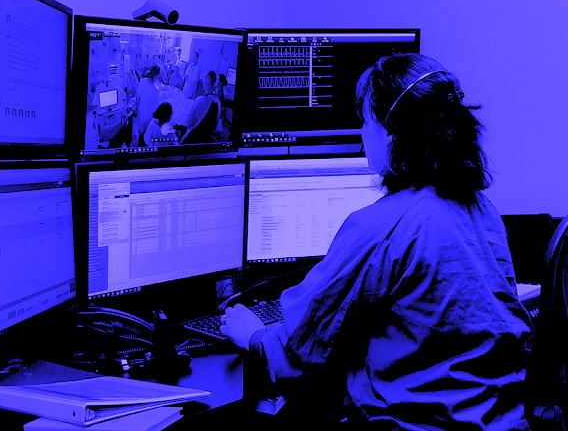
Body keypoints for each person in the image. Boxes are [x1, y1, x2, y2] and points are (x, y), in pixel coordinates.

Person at [220, 53, 533, 430]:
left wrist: (253, 334)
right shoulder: (481, 209)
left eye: (365, 121)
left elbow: (298, 353)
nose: (361, 135)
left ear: (392, 132)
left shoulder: (383, 223)